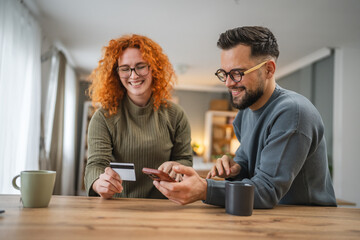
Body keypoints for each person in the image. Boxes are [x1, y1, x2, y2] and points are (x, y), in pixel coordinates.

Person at [154, 26, 337, 208]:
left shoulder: (293, 112)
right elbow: (248, 165)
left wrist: (205, 189)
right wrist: (236, 168)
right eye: (224, 74)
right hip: (267, 218)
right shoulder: (244, 113)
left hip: (307, 222)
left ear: (268, 70)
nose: (228, 83)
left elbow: (266, 190)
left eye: (237, 73)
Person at [84, 34, 193, 199]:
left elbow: (185, 160)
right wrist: (100, 183)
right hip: (119, 209)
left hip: (165, 207)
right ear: (116, 73)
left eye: (141, 66)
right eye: (125, 68)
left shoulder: (175, 115)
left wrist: (177, 165)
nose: (134, 75)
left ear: (154, 68)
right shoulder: (103, 117)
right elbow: (95, 165)